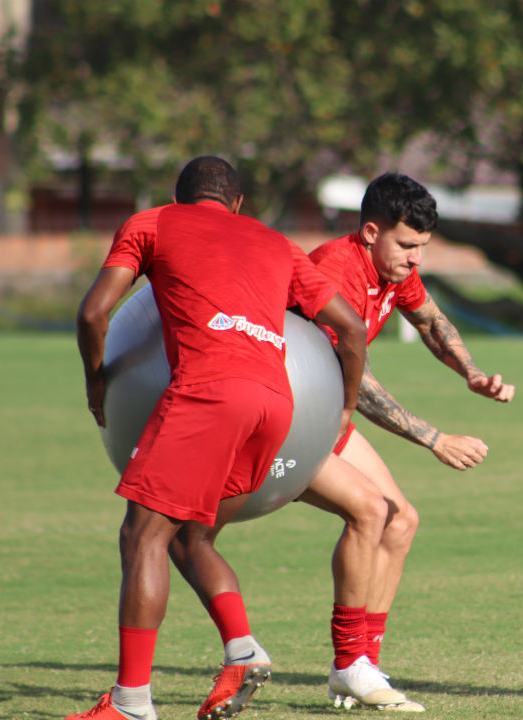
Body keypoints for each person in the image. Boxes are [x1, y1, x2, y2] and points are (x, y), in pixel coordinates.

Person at [69, 156, 367, 720]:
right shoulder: (278, 244)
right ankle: (242, 649)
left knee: (141, 538)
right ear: (238, 204)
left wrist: (95, 381)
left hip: (210, 395)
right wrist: (344, 406)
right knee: (189, 539)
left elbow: (92, 314)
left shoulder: (154, 223)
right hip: (279, 407)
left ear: (180, 198)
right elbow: (349, 328)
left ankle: (131, 702)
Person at [300, 172, 516, 711]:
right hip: (288, 418)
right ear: (371, 232)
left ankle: (362, 664)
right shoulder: (337, 269)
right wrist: (433, 438)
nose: (415, 258)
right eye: (407, 245)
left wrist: (471, 372)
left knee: (402, 518)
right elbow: (354, 376)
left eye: (423, 247)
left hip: (325, 415)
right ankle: (349, 663)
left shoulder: (392, 271)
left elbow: (432, 322)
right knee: (371, 511)